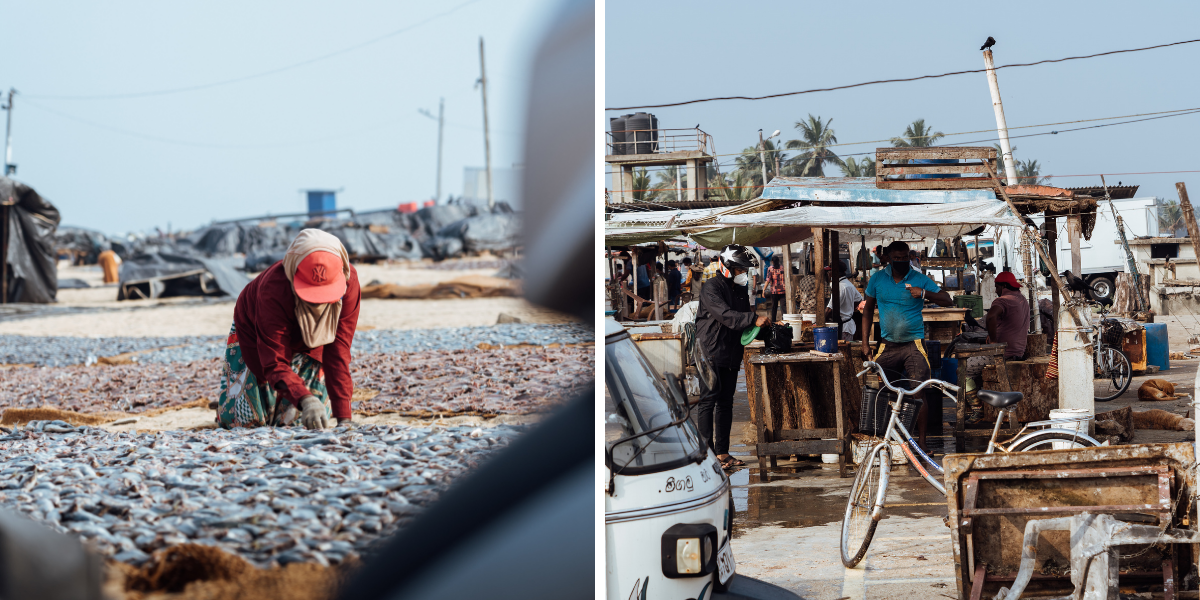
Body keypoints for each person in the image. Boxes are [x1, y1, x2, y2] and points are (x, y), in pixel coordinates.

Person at [218, 229, 360, 429]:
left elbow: (339, 350)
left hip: (316, 338)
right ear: (293, 272)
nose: (318, 302)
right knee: (246, 423)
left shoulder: (348, 282)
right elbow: (274, 359)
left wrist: (344, 417)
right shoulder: (274, 289)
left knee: (304, 424)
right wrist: (305, 399)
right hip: (257, 330)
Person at [861, 241, 953, 450]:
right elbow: (867, 311)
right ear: (888, 258)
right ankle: (892, 441)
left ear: (910, 257)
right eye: (897, 258)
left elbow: (947, 300)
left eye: (905, 258)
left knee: (918, 392)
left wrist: (923, 293)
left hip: (914, 345)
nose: (901, 261)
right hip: (888, 345)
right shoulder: (877, 279)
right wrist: (865, 343)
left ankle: (921, 443)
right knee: (885, 392)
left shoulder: (919, 279)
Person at [696, 244, 769, 471]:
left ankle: (722, 452)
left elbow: (744, 320)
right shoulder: (711, 287)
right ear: (726, 266)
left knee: (725, 403)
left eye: (744, 270)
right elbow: (726, 316)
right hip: (710, 350)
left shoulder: (740, 289)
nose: (742, 274)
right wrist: (752, 319)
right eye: (739, 269)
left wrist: (764, 326)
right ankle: (706, 454)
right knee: (708, 401)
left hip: (731, 351)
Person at [963, 271, 1030, 425]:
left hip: (1002, 353)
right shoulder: (1022, 299)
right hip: (1018, 350)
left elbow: (992, 316)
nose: (995, 290)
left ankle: (977, 410)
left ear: (1004, 286)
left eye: (997, 286)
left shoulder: (1003, 300)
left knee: (962, 370)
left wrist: (993, 340)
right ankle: (982, 407)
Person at [827, 259, 863, 341]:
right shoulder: (848, 284)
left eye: (829, 271)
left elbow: (829, 310)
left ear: (835, 272)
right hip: (847, 325)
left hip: (843, 328)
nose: (828, 274)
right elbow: (859, 299)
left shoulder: (840, 287)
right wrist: (848, 309)